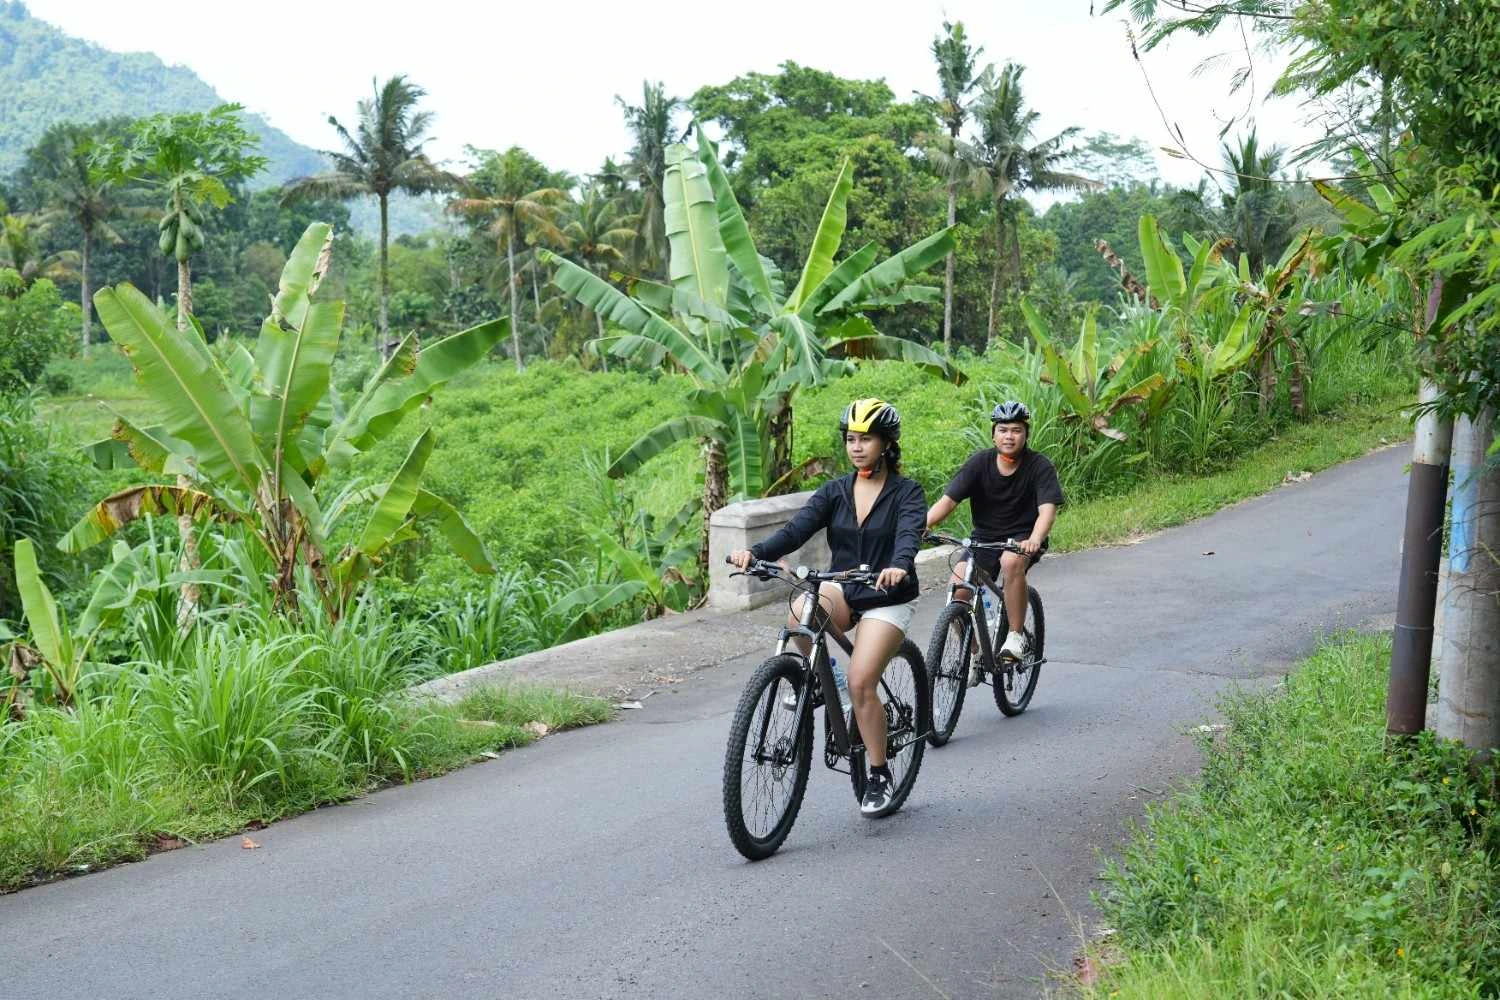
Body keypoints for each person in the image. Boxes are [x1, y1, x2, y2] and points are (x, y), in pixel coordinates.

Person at [729, 398, 926, 818]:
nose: (856, 447)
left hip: (887, 596)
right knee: (802, 609)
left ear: (887, 444)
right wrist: (755, 553)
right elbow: (796, 530)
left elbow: (909, 534)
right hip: (843, 587)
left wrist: (897, 565)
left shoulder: (907, 492)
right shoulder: (835, 491)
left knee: (862, 682)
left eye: (866, 439)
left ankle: (878, 771)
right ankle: (824, 680)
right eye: (851, 439)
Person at [925, 400, 1063, 681]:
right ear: (993, 434)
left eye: (1016, 430)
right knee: (958, 589)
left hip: (1023, 539)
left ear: (1026, 434)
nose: (1009, 436)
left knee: (1011, 562)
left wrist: (1035, 539)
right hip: (984, 540)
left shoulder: (1039, 466)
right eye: (1003, 430)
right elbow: (948, 501)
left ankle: (1015, 636)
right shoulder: (979, 463)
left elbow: (1047, 511)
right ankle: (973, 652)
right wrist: (922, 525)